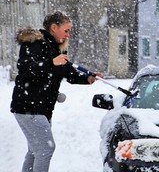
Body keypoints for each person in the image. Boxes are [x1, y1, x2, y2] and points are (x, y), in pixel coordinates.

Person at [10, 11, 102, 172]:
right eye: (66, 30)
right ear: (54, 27)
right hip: (28, 107)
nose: (69, 35)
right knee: (45, 149)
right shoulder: (34, 43)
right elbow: (26, 69)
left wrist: (86, 78)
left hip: (42, 109)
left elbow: (67, 71)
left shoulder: (56, 48)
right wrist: (51, 62)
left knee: (35, 150)